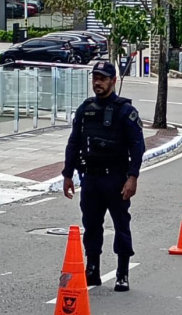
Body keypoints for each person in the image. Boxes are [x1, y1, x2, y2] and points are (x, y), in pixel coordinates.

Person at [62, 60, 146, 290]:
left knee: (121, 225)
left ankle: (122, 273)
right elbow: (74, 143)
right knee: (91, 225)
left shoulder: (125, 111)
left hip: (116, 179)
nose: (97, 82)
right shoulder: (85, 109)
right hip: (90, 178)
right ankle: (93, 269)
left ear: (113, 81)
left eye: (102, 78)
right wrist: (68, 174)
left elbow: (137, 146)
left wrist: (133, 177)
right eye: (95, 78)